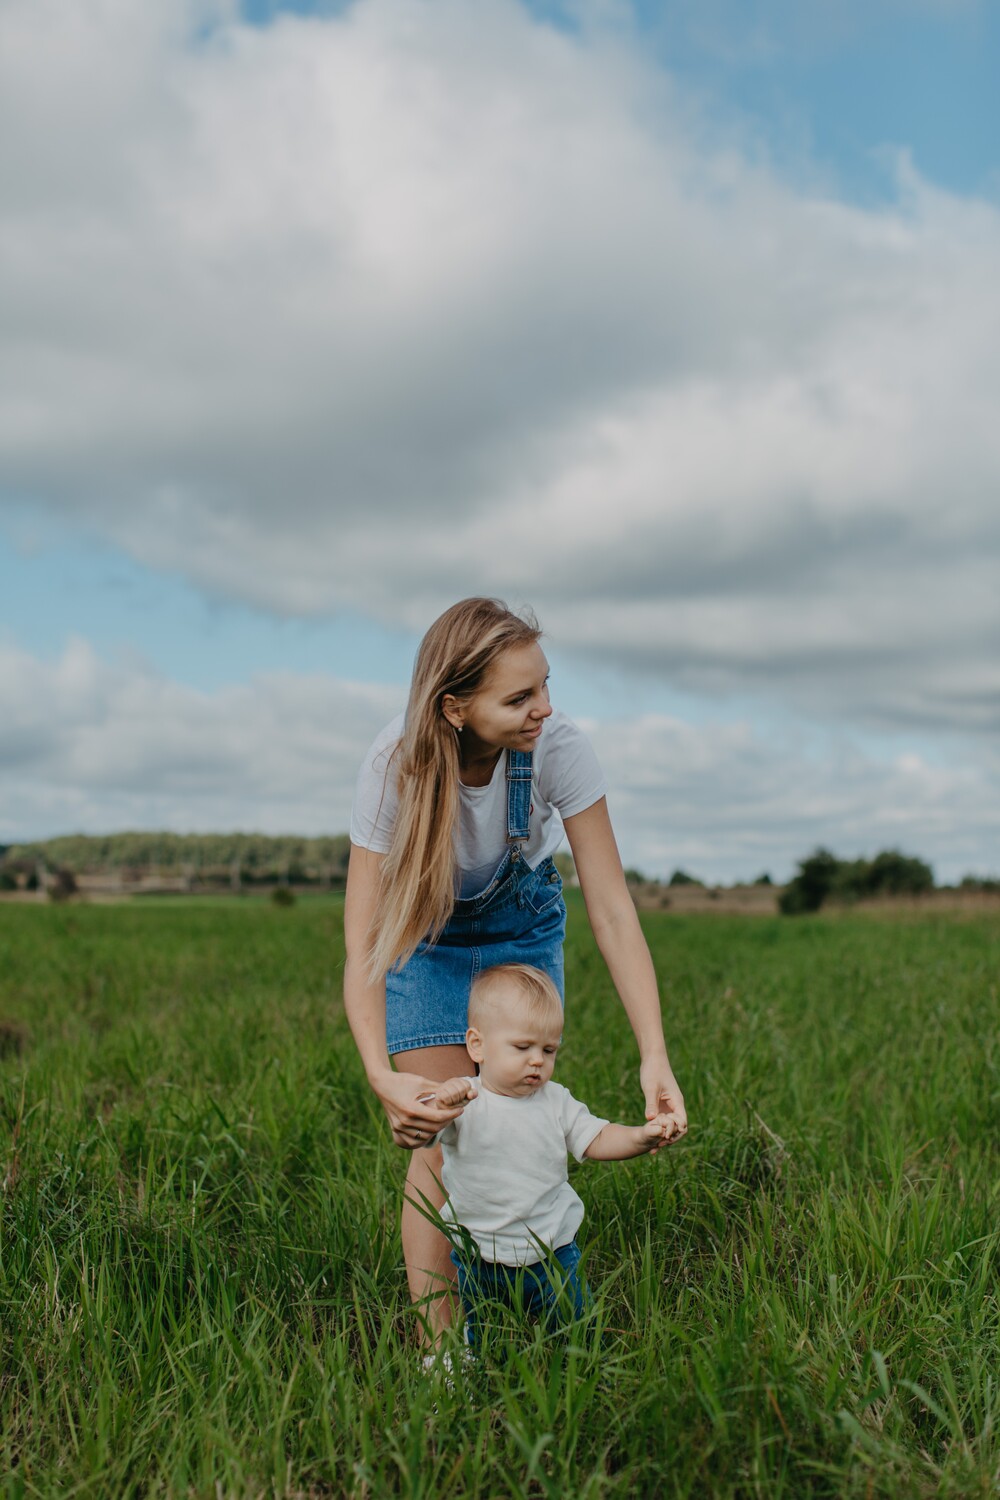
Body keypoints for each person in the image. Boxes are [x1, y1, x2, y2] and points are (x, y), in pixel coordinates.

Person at [343, 597, 687, 1344]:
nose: (546, 708)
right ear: (455, 707)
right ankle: (443, 1350)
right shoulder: (392, 764)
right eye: (520, 697)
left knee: (516, 1116)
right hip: (424, 938)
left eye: (546, 686)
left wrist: (653, 1053)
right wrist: (380, 1074)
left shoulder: (559, 746)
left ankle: (531, 1301)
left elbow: (613, 910)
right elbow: (363, 939)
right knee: (441, 1137)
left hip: (521, 929)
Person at [426, 963, 681, 1349]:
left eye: (548, 1050)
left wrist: (640, 1137)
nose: (537, 1061)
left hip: (552, 1254)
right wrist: (438, 1104)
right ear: (477, 1045)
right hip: (479, 1256)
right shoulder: (465, 1100)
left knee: (576, 1332)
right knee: (488, 1338)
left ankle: (579, 1373)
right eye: (522, 1047)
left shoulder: (554, 1100)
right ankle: (479, 1370)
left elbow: (596, 1138)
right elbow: (421, 1132)